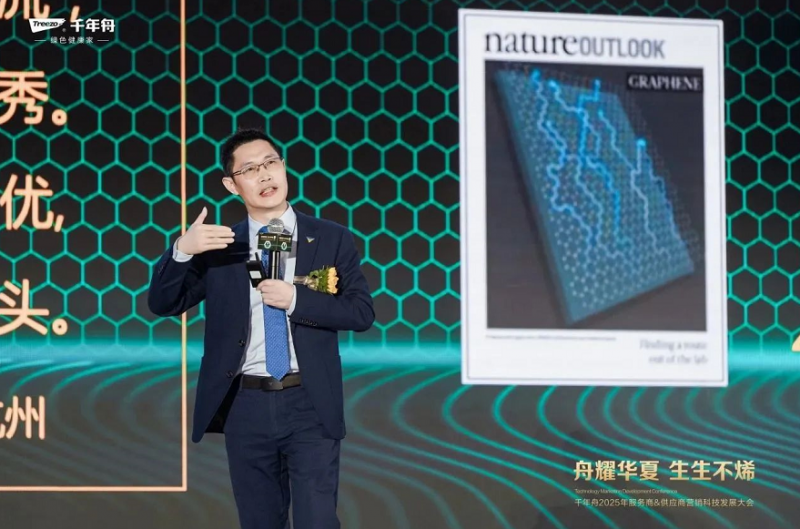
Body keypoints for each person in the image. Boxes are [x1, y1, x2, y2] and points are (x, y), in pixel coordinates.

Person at [147, 128, 375, 529]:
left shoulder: (330, 238)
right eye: (250, 169)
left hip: (309, 401)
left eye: (270, 163)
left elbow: (361, 312)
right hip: (245, 404)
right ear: (231, 185)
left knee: (318, 521)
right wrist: (182, 250)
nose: (265, 175)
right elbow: (164, 303)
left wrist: (296, 300)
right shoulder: (221, 246)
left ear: (283, 167)